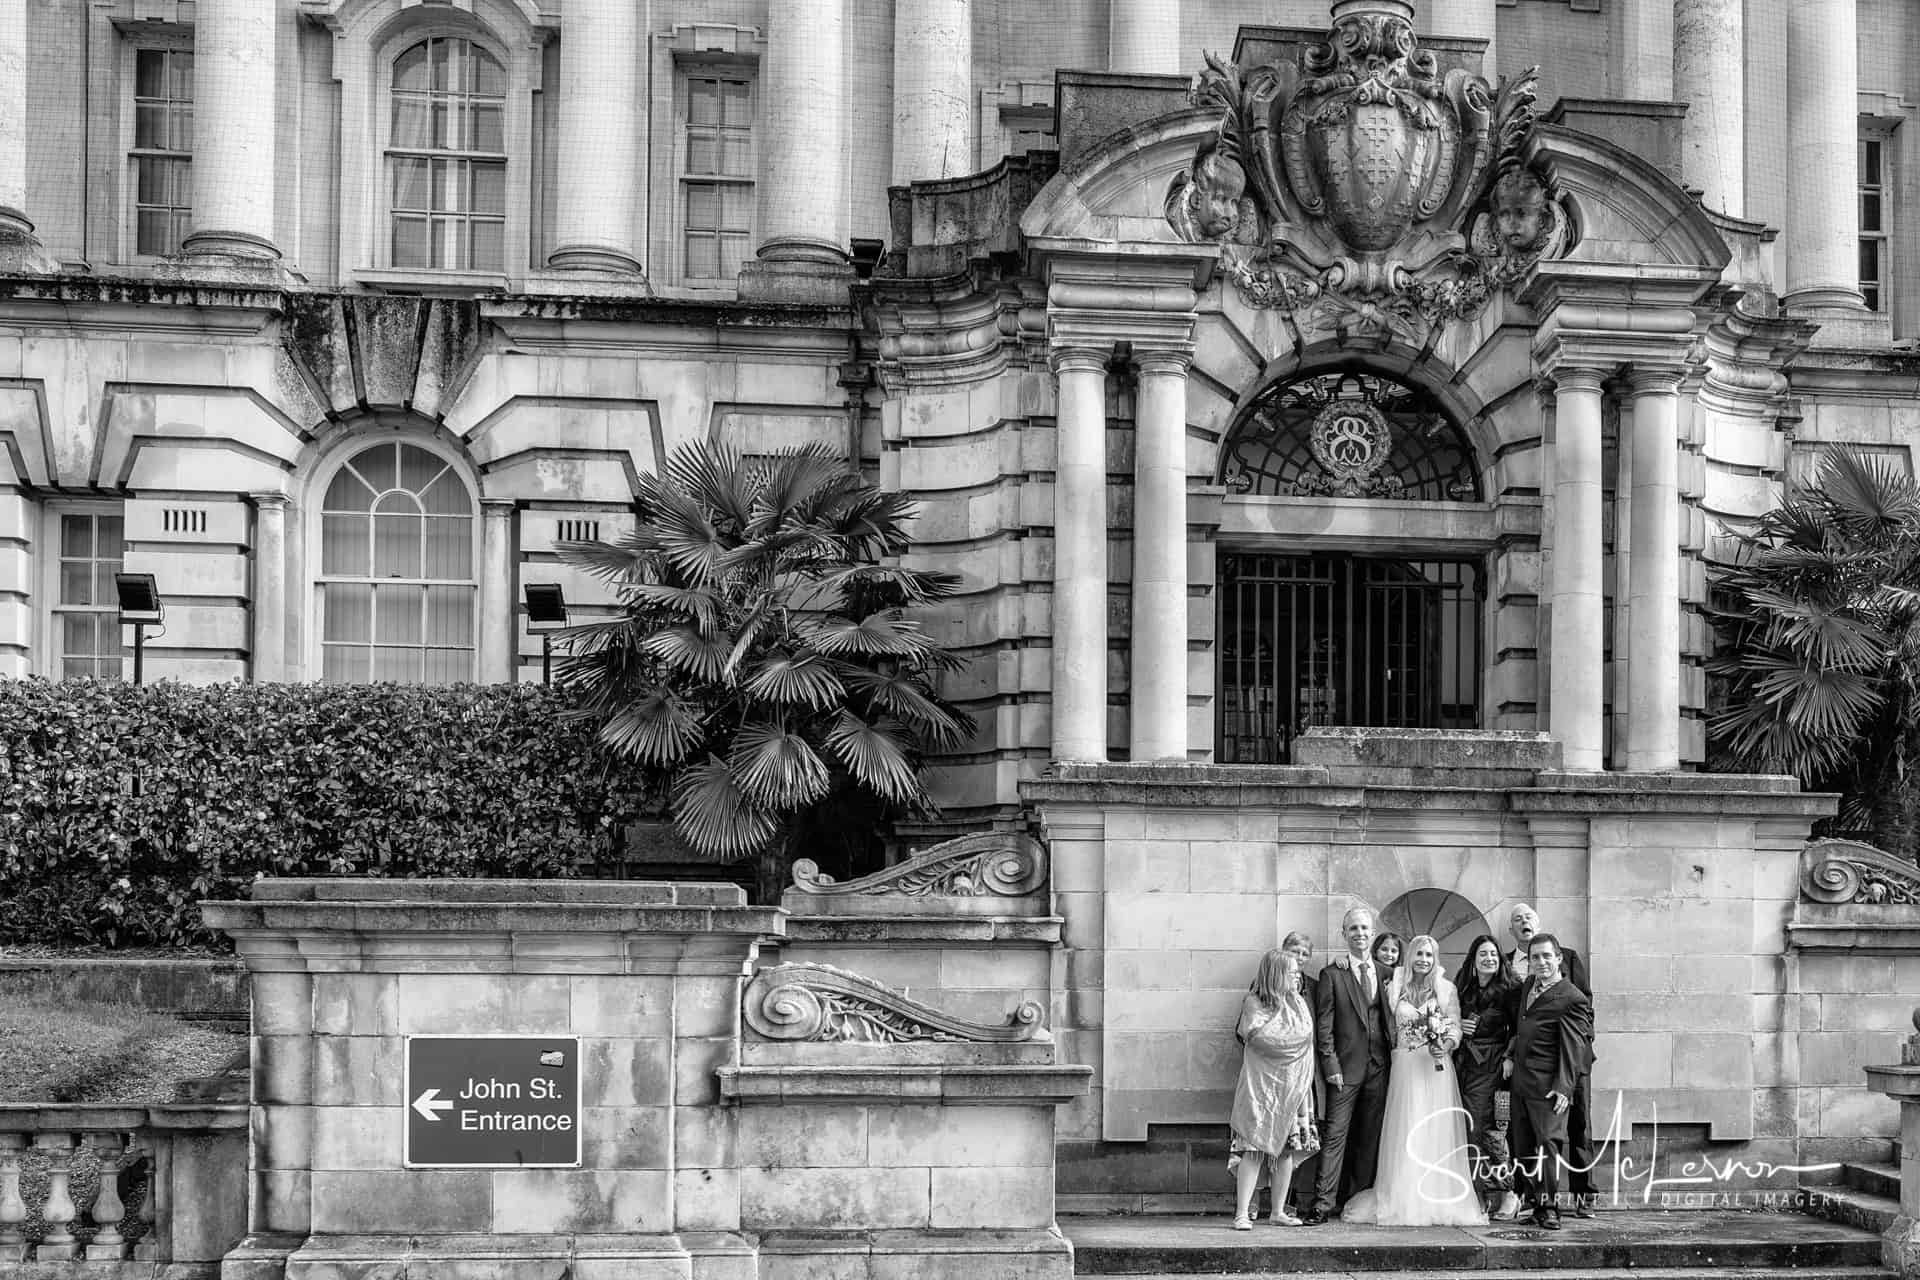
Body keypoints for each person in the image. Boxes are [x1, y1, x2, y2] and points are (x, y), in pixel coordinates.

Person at [1342, 935, 1486, 1226]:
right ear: (1409, 957)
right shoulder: (1394, 985)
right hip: (1406, 1068)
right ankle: (1403, 1196)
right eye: (1419, 954)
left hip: (1436, 1068)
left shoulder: (1446, 989)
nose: (1423, 959)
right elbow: (1365, 971)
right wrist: (1344, 960)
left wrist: (1445, 1044)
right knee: (1406, 1128)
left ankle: (1437, 1195)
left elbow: (1455, 1027)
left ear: (1436, 959)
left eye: (1429, 955)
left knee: (1436, 1130)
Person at [1503, 904, 1596, 1215]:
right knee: (1524, 1144)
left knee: (1550, 1143)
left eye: (1546, 956)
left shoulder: (1572, 996)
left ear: (1559, 959)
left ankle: (1552, 1207)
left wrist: (1564, 1086)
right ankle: (1533, 1204)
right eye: (1535, 957)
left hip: (1552, 1081)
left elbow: (1573, 1044)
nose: (1540, 961)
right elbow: (1520, 1026)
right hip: (1523, 1080)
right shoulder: (1529, 984)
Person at [1306, 906, 1393, 1225]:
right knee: (1335, 1136)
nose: (1359, 933)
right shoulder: (1333, 974)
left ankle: (1356, 1200)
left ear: (1372, 933)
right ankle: (1322, 1202)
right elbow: (1324, 1026)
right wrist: (1330, 1065)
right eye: (1353, 928)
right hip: (1344, 1070)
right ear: (1344, 934)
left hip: (1380, 1068)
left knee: (1370, 1136)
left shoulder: (1387, 973)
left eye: (1364, 928)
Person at [1229, 947, 1317, 1230]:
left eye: (1297, 973)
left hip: (1293, 1086)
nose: (1297, 977)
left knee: (1287, 1152)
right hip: (1262, 1089)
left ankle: (1278, 1211)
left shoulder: (1299, 1003)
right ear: (1277, 974)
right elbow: (1261, 1037)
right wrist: (1294, 1038)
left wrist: (1294, 1038)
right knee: (1253, 1149)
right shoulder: (1255, 1002)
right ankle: (1242, 1212)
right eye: (1291, 972)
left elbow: (1304, 1035)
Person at [1453, 934, 1519, 1218]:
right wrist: (1458, 1024)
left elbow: (1520, 1028)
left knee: (1486, 1128)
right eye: (1483, 954)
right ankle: (1477, 1194)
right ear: (1473, 959)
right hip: (1464, 1064)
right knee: (1467, 1130)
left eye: (1493, 953)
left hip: (1492, 1064)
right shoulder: (1464, 987)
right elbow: (1447, 1015)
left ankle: (1508, 1193)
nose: (1489, 958)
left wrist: (1509, 1056)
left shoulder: (1511, 988)